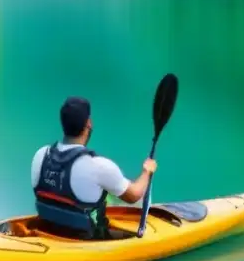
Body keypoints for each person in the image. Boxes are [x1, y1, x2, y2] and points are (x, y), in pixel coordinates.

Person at [31, 96, 157, 239]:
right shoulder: (99, 166)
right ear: (88, 124)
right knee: (115, 194)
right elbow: (134, 195)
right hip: (86, 241)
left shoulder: (40, 155)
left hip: (47, 231)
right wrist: (147, 171)